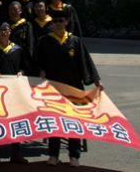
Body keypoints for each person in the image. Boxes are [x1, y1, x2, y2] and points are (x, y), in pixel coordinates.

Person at [35, 10, 102, 167]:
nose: (58, 23)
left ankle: (74, 155)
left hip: (73, 88)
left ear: (66, 22)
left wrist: (97, 81)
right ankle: (53, 155)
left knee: (73, 122)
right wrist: (41, 70)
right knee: (55, 122)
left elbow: (86, 62)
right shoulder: (45, 41)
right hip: (53, 88)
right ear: (52, 23)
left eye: (61, 20)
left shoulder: (75, 41)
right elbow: (37, 60)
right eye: (55, 21)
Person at [0, 22, 28, 166]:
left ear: (10, 32)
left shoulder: (18, 49)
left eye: (6, 30)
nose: (4, 32)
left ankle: (16, 154)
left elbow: (24, 66)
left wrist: (21, 72)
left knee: (15, 122)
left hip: (14, 91)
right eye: (1, 30)